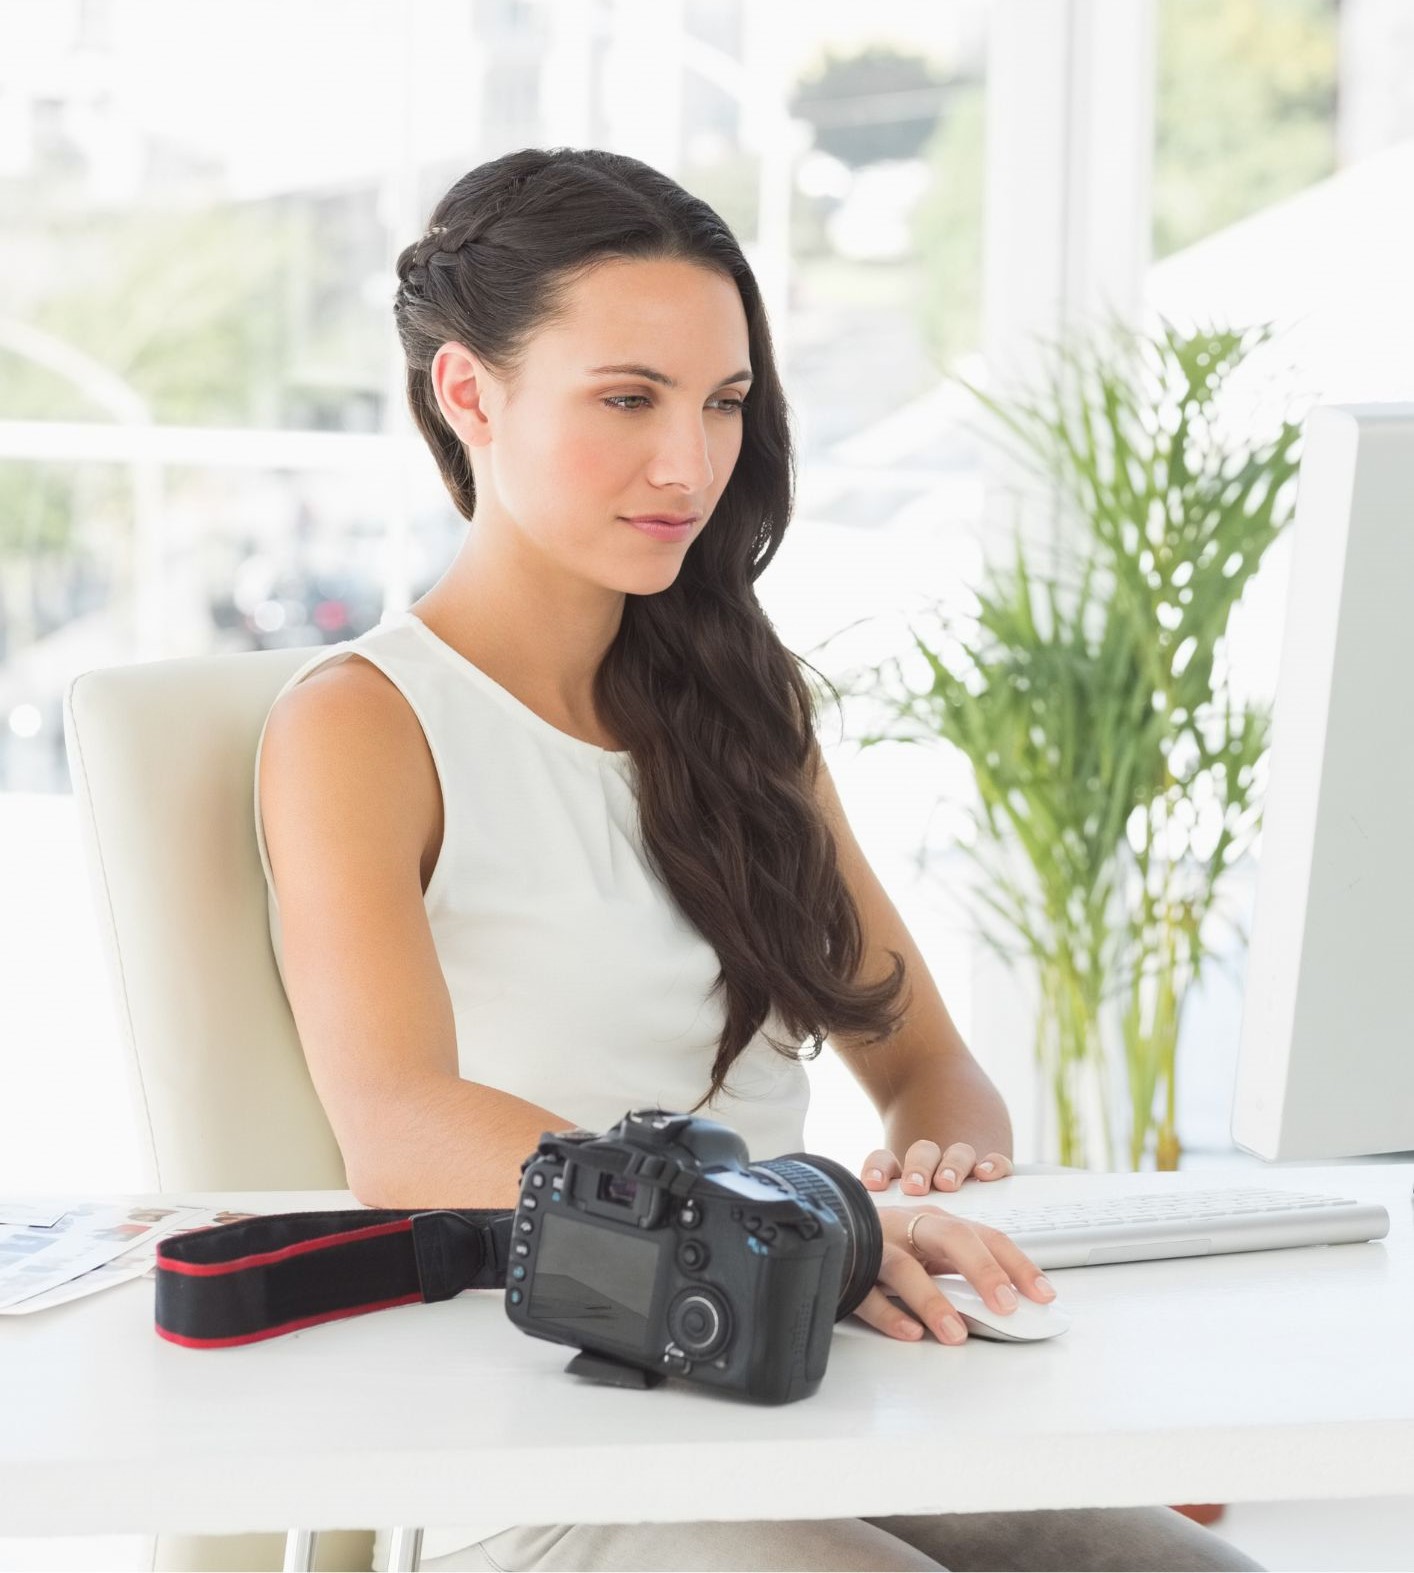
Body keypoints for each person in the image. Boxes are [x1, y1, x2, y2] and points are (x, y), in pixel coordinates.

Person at [254, 147, 1262, 1573]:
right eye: (627, 400)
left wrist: (928, 1167)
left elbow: (927, 1061)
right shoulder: (362, 723)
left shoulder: (737, 707)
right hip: (534, 1434)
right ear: (468, 394)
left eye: (723, 404)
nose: (689, 463)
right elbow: (398, 1123)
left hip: (798, 1381)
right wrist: (816, 1228)